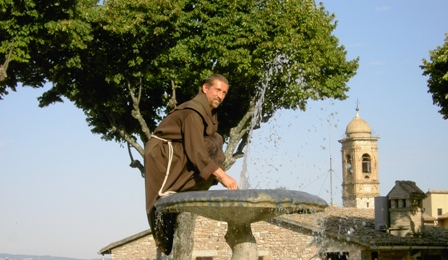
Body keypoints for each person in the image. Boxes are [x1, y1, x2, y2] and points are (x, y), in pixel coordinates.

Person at [144, 74, 238, 255]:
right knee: (210, 145)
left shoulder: (210, 113)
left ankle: (186, 189)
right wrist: (223, 176)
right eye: (217, 90)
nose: (221, 95)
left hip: (179, 150)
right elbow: (197, 152)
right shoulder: (193, 112)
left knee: (216, 140)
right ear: (205, 88)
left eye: (224, 93)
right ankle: (171, 188)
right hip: (162, 153)